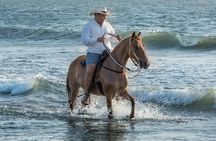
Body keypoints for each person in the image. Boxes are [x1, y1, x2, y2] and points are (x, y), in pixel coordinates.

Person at [81, 7, 121, 105]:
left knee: (119, 66)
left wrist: (117, 38)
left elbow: (113, 39)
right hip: (94, 52)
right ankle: (86, 94)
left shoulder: (108, 25)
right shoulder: (88, 26)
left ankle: (119, 90)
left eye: (104, 15)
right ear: (96, 15)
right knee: (90, 70)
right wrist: (96, 39)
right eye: (102, 15)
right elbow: (85, 40)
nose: (104, 17)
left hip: (108, 51)